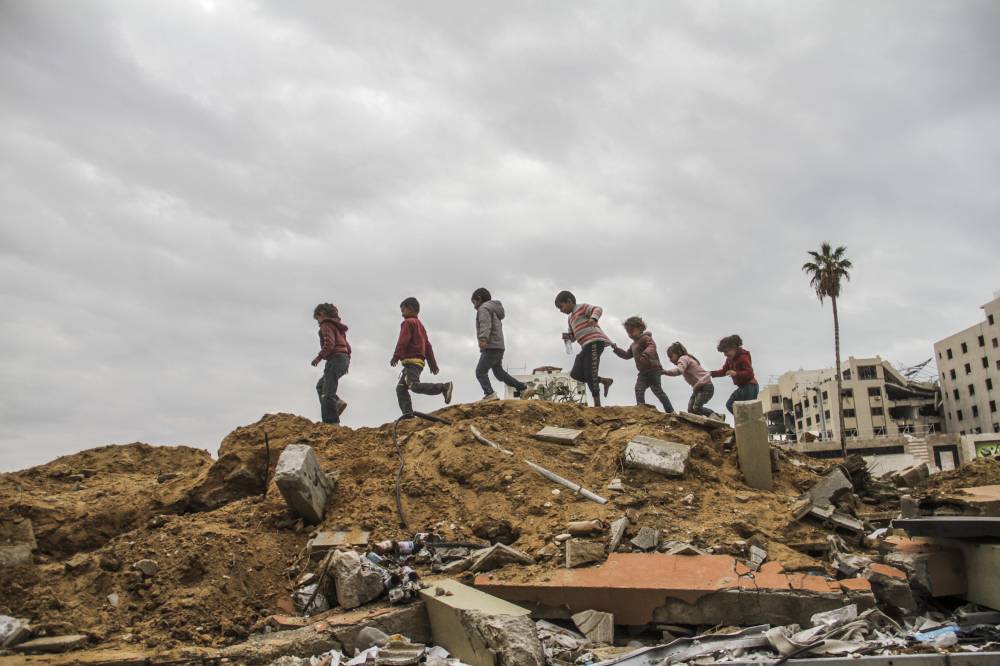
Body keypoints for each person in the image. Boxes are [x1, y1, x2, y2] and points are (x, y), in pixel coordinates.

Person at [390, 297, 454, 416]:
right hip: (417, 363)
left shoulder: (408, 323)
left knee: (413, 385)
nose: (402, 314)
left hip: (411, 362)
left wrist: (396, 356)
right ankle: (408, 415)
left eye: (403, 310)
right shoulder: (421, 326)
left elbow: (403, 341)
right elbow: (428, 346)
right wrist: (432, 364)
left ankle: (443, 387)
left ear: (410, 309)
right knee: (400, 388)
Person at [471, 288, 536, 401]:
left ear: (479, 299)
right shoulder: (494, 310)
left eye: (474, 302)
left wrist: (483, 339)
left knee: (480, 371)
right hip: (499, 347)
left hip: (490, 346)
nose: (474, 306)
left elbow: (485, 324)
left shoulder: (483, 308)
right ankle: (522, 387)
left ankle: (490, 393)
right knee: (499, 373)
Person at [555, 290, 613, 406]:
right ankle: (604, 381)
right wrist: (568, 338)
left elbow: (598, 309)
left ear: (569, 301)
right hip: (585, 345)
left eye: (561, 307)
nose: (561, 310)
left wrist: (593, 319)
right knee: (575, 373)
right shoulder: (570, 318)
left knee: (590, 372)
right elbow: (573, 336)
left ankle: (597, 404)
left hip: (595, 341)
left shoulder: (581, 307)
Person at [611, 316, 673, 412]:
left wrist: (646, 354)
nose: (630, 334)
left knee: (657, 390)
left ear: (640, 329)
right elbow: (627, 355)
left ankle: (670, 411)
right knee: (639, 389)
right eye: (628, 332)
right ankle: (641, 409)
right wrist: (616, 349)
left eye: (632, 331)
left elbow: (652, 346)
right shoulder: (633, 345)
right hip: (643, 372)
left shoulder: (646, 338)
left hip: (654, 369)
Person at [311, 303, 351, 424]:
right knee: (321, 386)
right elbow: (348, 346)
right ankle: (337, 403)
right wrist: (347, 362)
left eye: (317, 318)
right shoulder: (338, 327)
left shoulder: (326, 325)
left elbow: (329, 344)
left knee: (327, 392)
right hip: (343, 359)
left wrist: (319, 357)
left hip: (335, 359)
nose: (318, 322)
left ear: (322, 314)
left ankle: (331, 422)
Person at [664, 341, 722, 420]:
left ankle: (717, 417)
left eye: (671, 356)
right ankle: (707, 419)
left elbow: (679, 371)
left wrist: (664, 372)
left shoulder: (683, 358)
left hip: (706, 387)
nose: (670, 359)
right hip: (699, 388)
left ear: (678, 353)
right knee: (691, 410)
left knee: (696, 407)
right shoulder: (687, 358)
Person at [710, 334, 759, 415]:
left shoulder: (743, 357)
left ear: (734, 348)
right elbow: (724, 371)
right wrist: (710, 373)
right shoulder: (729, 359)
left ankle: (747, 424)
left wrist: (736, 373)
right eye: (723, 352)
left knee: (747, 410)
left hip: (750, 386)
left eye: (726, 351)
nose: (725, 354)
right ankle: (743, 422)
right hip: (742, 387)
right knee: (730, 405)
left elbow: (750, 373)